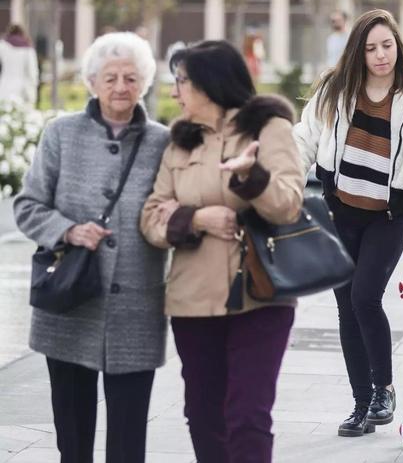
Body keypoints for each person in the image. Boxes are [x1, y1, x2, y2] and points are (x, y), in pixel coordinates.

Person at [140, 40, 305, 462]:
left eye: (182, 82)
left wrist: (252, 176)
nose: (175, 92)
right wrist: (196, 220)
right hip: (192, 301)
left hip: (261, 294)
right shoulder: (179, 142)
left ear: (210, 85)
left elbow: (288, 204)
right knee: (202, 414)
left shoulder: (269, 129)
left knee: (248, 414)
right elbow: (152, 217)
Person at [294, 8, 403, 437]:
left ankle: (383, 390)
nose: (381, 55)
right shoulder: (335, 91)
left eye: (387, 45)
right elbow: (302, 142)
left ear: (398, 46)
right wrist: (281, 184)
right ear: (358, 52)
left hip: (387, 217)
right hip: (339, 214)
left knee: (366, 297)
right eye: (371, 48)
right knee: (347, 307)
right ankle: (361, 404)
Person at [13, 32, 169, 463]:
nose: (121, 86)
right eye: (111, 77)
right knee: (73, 441)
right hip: (69, 305)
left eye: (131, 77)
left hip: (137, 309)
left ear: (145, 83)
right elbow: (26, 205)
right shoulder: (61, 133)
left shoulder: (163, 141)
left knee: (128, 442)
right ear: (91, 81)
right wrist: (67, 230)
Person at [0, 24, 40, 107]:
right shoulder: (27, 48)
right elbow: (32, 72)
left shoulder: (2, 46)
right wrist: (33, 88)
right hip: (22, 89)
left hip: (4, 85)